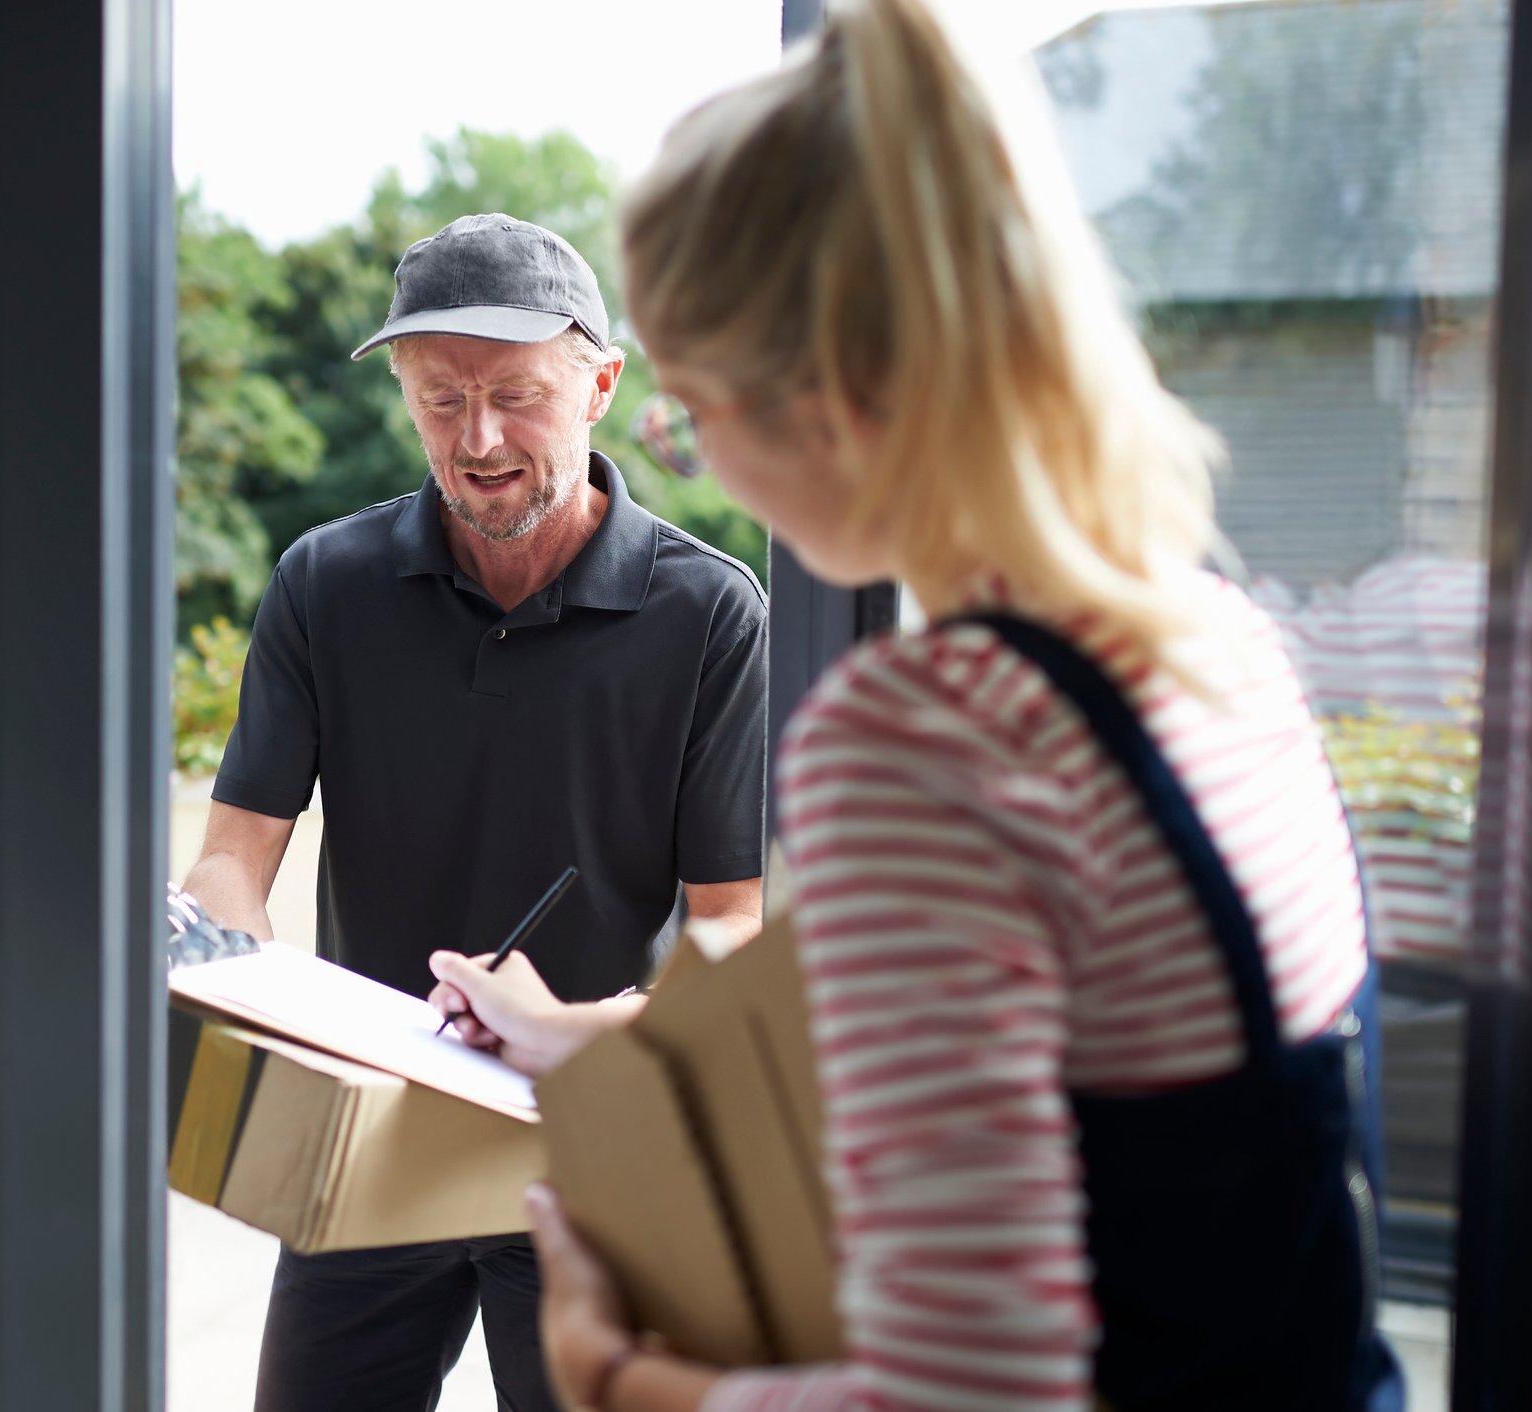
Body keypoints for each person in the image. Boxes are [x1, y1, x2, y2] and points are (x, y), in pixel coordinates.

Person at [425, 3, 1407, 1409]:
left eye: (692, 411)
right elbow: (1084, 1062)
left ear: (831, 403)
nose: (696, 461)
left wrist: (617, 1376)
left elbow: (965, 1397)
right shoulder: (1216, 645)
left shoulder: (928, 738)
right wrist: (575, 1034)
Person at [180, 212, 769, 1412]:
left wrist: (581, 1024)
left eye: (516, 394)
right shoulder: (323, 583)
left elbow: (731, 934)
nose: (479, 438)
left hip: (591, 1149)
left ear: (601, 383)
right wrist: (220, 963)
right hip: (363, 1130)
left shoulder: (710, 614)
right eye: (439, 400)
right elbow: (231, 859)